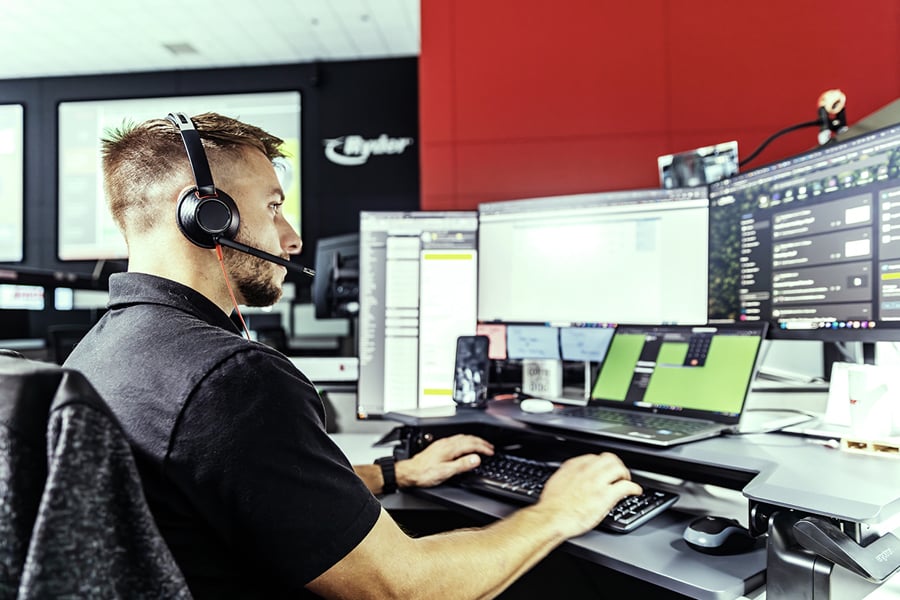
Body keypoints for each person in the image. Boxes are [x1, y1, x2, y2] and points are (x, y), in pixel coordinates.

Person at [65, 112, 643, 599]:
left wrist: (395, 472)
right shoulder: (231, 379)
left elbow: (239, 493)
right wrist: (559, 511)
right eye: (273, 207)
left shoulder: (99, 352)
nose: (290, 238)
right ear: (205, 215)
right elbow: (401, 587)